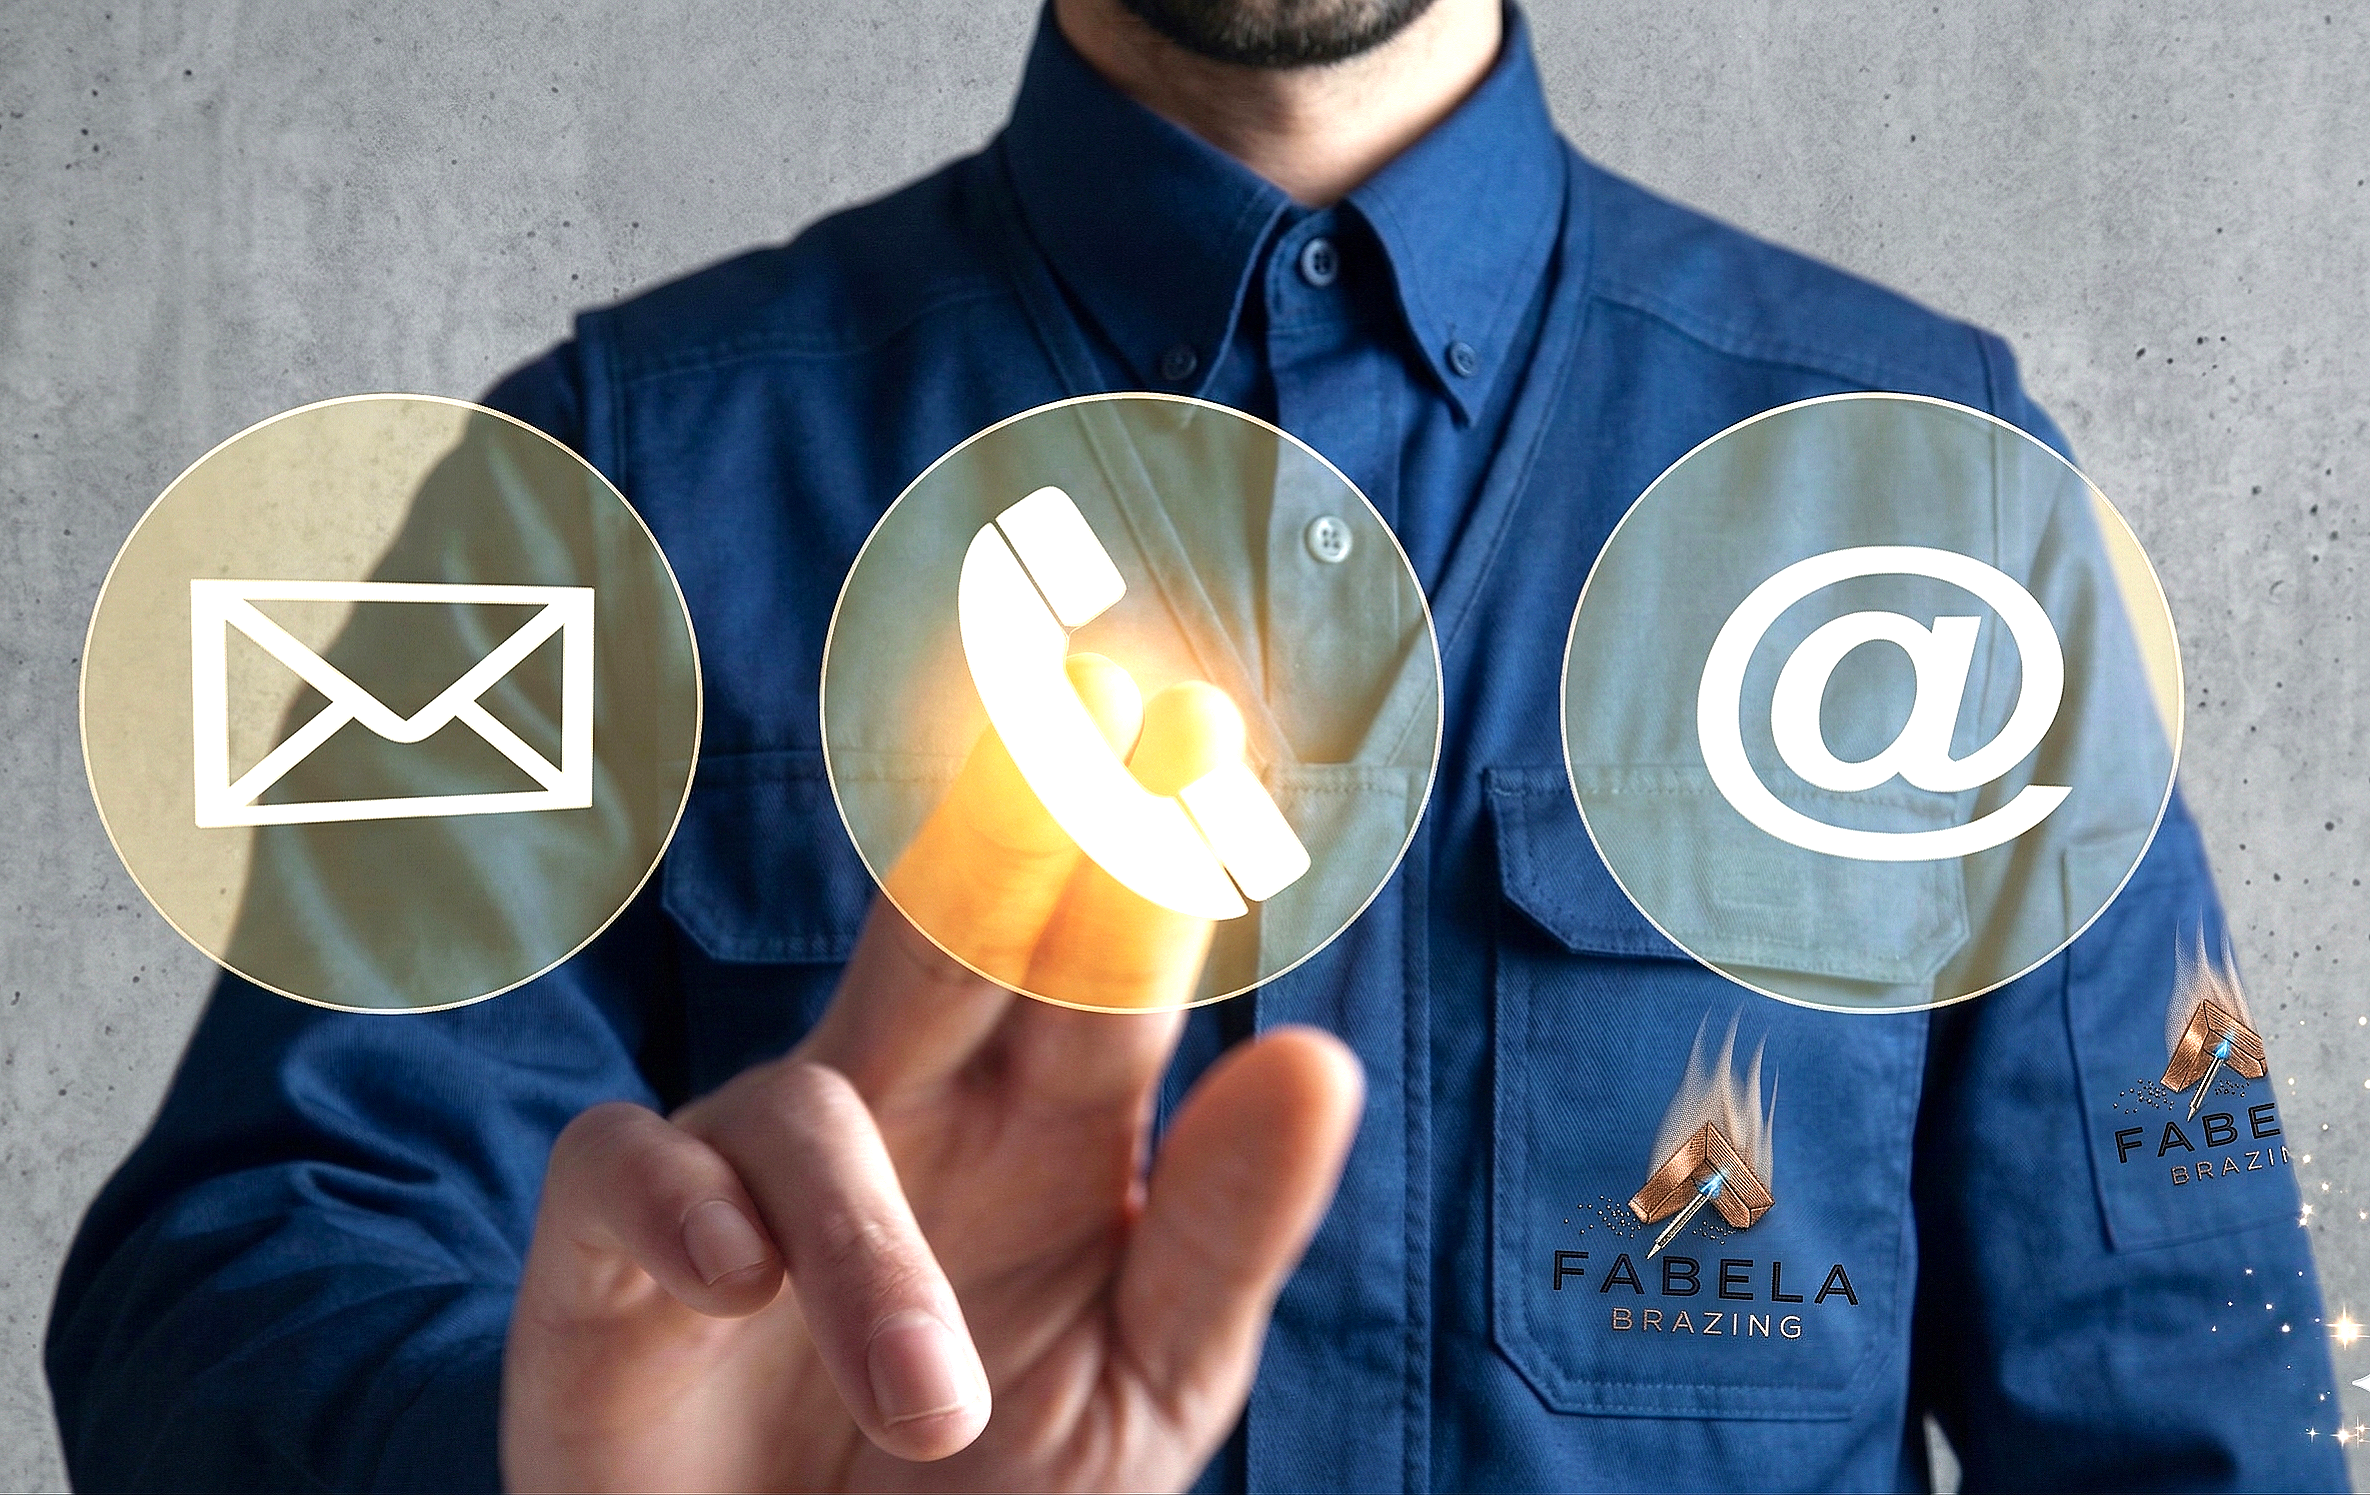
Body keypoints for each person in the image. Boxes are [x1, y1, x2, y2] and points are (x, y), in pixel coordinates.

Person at [48, 0, 2345, 1489]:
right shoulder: (606, 490)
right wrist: (558, 1461)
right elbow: (230, 1289)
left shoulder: (1927, 494)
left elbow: (2188, 1413)